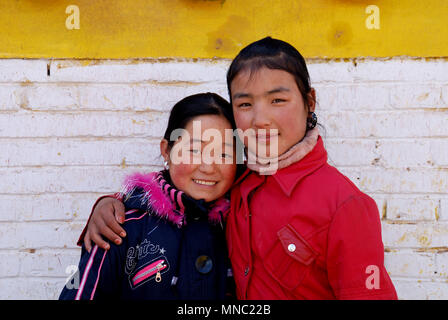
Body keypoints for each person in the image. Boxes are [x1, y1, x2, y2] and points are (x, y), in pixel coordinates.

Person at [78, 37, 398, 300]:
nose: (260, 119)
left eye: (278, 100)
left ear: (309, 102)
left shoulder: (345, 205)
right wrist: (110, 203)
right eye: (245, 104)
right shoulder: (240, 182)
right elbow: (179, 188)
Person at [59, 93, 238, 300]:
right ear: (166, 151)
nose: (208, 167)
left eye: (224, 154)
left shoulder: (244, 223)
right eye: (194, 150)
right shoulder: (121, 226)